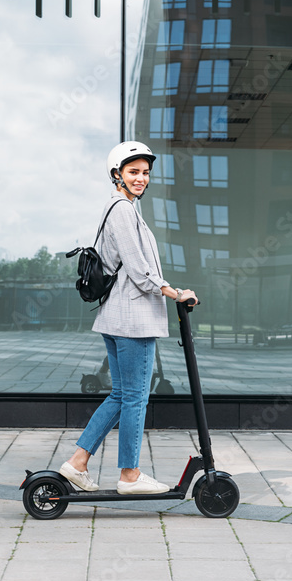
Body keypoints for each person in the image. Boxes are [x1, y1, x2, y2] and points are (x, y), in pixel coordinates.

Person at [59, 141, 199, 494]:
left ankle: (77, 463)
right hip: (131, 318)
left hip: (119, 316)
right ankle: (130, 476)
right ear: (117, 174)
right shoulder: (121, 210)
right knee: (135, 396)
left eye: (145, 172)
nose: (141, 178)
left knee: (121, 395)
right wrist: (174, 291)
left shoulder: (126, 209)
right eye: (133, 172)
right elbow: (139, 270)